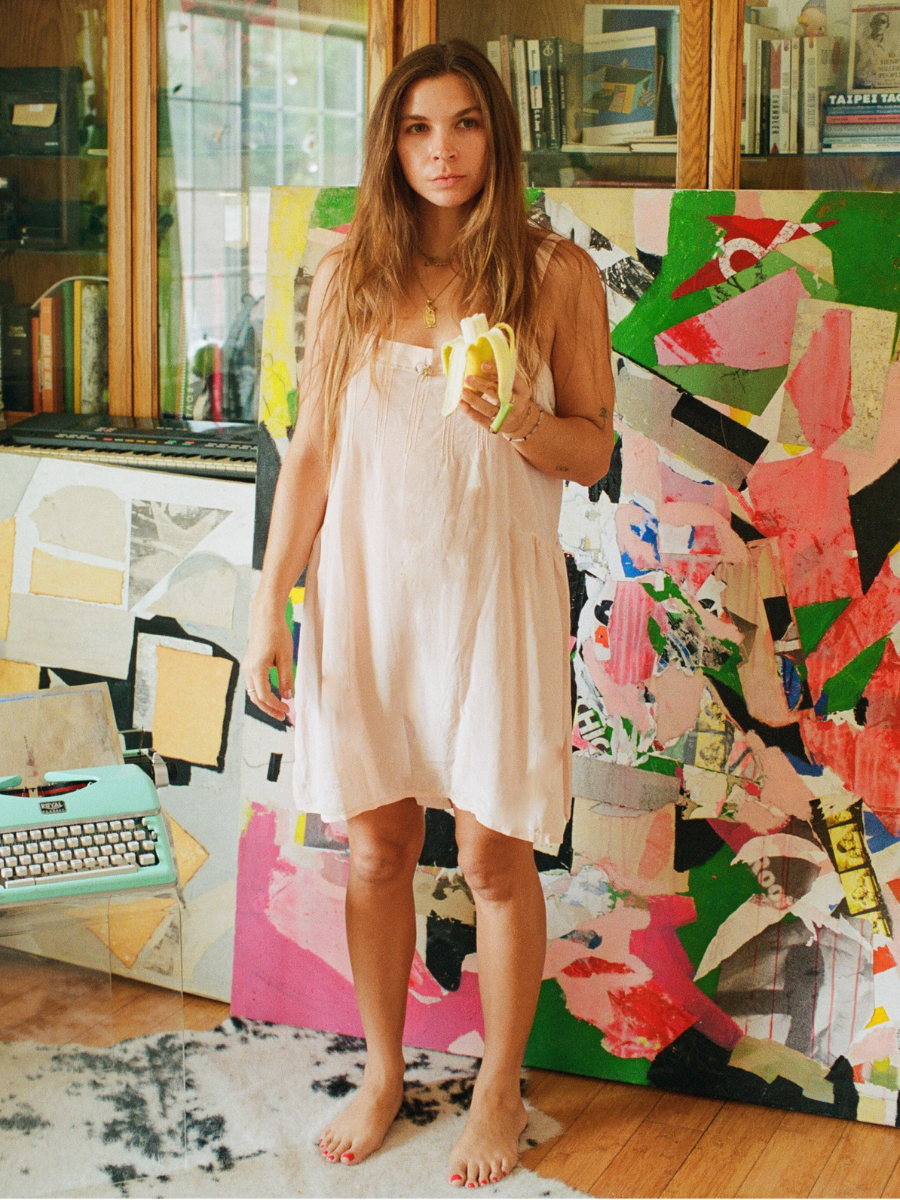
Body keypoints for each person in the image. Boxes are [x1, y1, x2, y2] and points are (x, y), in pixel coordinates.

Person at [242, 39, 615, 1188]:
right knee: (377, 849)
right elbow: (308, 458)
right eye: (416, 128)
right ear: (390, 144)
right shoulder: (347, 273)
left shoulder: (555, 275)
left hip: (491, 602)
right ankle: (386, 1068)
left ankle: (498, 1087)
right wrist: (271, 611)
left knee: (496, 856)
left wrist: (514, 420)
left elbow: (593, 446)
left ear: (496, 137)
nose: (440, 151)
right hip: (365, 600)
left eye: (462, 125)